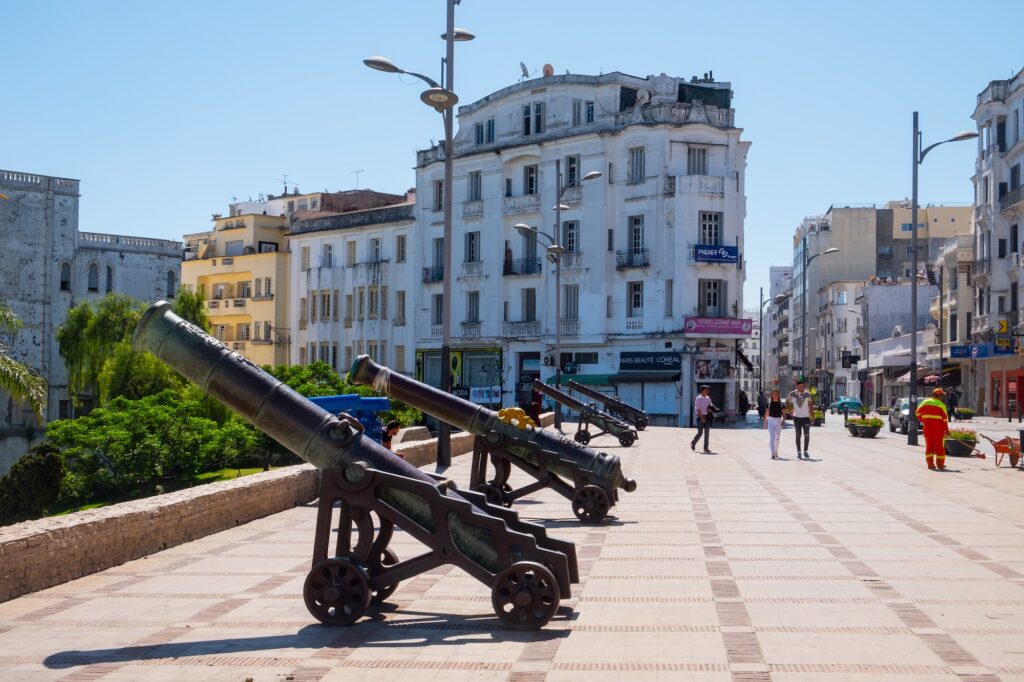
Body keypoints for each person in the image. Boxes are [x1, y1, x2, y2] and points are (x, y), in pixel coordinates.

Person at [916, 387, 950, 470]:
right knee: (939, 447)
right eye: (942, 396)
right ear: (940, 396)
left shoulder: (925, 402)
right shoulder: (942, 405)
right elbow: (945, 419)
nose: (942, 398)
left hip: (927, 428)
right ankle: (940, 465)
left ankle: (930, 465)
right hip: (939, 429)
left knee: (929, 446)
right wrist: (947, 430)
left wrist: (924, 420)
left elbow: (917, 413)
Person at [786, 380, 815, 459]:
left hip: (806, 418)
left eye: (802, 386)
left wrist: (813, 416)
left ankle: (805, 451)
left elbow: (811, 405)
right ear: (797, 386)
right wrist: (790, 410)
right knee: (798, 435)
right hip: (797, 418)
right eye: (800, 386)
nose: (801, 388)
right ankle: (799, 451)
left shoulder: (807, 394)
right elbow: (787, 401)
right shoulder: (793, 393)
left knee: (806, 435)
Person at [691, 384, 719, 453]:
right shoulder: (698, 398)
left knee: (707, 433)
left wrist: (710, 410)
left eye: (708, 389)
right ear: (703, 390)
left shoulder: (708, 398)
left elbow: (710, 406)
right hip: (700, 417)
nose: (708, 390)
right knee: (700, 433)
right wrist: (702, 418)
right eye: (707, 389)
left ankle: (706, 448)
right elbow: (697, 409)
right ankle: (693, 442)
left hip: (707, 417)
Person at [763, 388, 785, 459]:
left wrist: (783, 420)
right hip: (771, 420)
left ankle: (775, 450)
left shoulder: (781, 404)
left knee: (777, 438)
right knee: (772, 437)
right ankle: (772, 452)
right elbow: (766, 413)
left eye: (776, 394)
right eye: (774, 394)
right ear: (772, 395)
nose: (775, 395)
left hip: (778, 420)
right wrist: (764, 422)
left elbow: (784, 413)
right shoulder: (769, 403)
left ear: (778, 395)